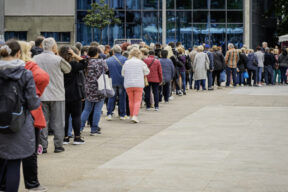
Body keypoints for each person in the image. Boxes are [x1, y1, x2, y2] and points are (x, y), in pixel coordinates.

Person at [0, 40, 40, 192]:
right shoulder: (25, 73)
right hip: (18, 124)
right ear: (18, 54)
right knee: (14, 163)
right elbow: (33, 103)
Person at [19, 41, 49, 192]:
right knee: (30, 151)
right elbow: (44, 78)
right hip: (30, 113)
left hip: (7, 113)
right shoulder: (31, 69)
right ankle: (32, 183)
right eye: (29, 51)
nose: (32, 53)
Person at [34, 38, 72, 153]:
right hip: (57, 94)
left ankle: (43, 146)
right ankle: (58, 145)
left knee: (43, 122)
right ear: (54, 47)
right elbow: (68, 69)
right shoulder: (58, 59)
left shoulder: (35, 59)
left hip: (41, 94)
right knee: (59, 121)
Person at [58, 46, 88, 145]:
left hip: (62, 93)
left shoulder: (58, 64)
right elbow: (85, 62)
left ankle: (65, 137)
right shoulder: (74, 65)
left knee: (65, 117)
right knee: (76, 116)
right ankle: (77, 137)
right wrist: (75, 55)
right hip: (75, 93)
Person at [80, 46, 108, 135]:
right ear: (97, 53)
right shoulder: (101, 62)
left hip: (88, 87)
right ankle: (94, 129)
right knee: (97, 109)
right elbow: (106, 69)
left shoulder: (87, 62)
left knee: (87, 109)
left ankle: (80, 127)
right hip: (100, 87)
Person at [122, 48, 150, 123]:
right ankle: (135, 115)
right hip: (138, 83)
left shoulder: (126, 62)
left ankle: (131, 115)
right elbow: (147, 72)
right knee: (137, 100)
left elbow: (123, 73)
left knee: (131, 100)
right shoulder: (141, 62)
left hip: (128, 84)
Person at [105, 45, 128, 121]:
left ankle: (109, 113)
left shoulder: (108, 60)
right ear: (121, 51)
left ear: (113, 52)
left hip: (112, 80)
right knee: (122, 98)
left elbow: (106, 71)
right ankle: (122, 114)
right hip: (122, 81)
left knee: (111, 97)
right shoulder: (125, 59)